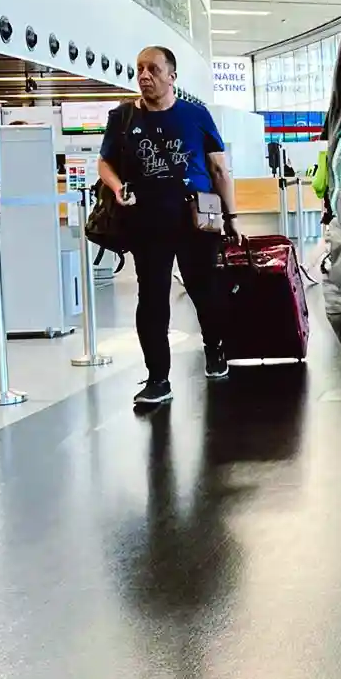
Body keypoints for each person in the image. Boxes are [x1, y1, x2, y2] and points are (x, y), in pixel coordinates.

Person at [98, 46, 239, 408]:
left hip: (196, 218)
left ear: (171, 76)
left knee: (204, 291)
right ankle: (158, 378)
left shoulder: (195, 115)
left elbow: (220, 169)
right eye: (140, 68)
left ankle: (215, 348)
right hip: (147, 222)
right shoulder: (123, 118)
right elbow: (105, 163)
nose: (145, 75)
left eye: (154, 69)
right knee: (152, 299)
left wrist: (232, 217)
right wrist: (116, 187)